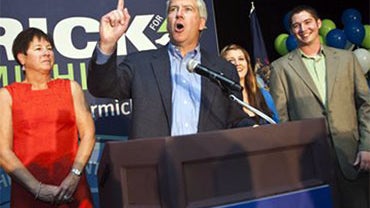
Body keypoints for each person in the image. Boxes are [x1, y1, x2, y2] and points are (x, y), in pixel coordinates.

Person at [87, 0, 255, 139]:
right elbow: (101, 87)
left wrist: (255, 127)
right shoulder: (140, 64)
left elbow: (234, 118)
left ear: (201, 23)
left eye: (187, 9)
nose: (178, 14)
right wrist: (107, 44)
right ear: (168, 21)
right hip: (156, 168)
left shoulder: (223, 70)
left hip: (207, 168)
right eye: (173, 9)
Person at [269, 5, 370, 208]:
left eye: (307, 22)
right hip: (311, 162)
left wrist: (366, 147)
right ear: (292, 31)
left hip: (353, 157)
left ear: (318, 24)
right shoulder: (280, 68)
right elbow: (282, 119)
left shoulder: (347, 59)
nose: (303, 29)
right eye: (296, 26)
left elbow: (365, 105)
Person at [0, 28, 95, 207]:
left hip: (72, 189)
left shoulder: (70, 87)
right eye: (38, 49)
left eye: (49, 48)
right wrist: (37, 188)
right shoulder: (7, 95)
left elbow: (88, 134)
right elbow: (3, 151)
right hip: (27, 192)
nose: (46, 53)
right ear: (22, 58)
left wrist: (74, 176)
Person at [220, 44, 279, 124]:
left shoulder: (263, 95)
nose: (237, 63)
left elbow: (276, 124)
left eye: (241, 59)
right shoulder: (219, 98)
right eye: (231, 61)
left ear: (247, 64)